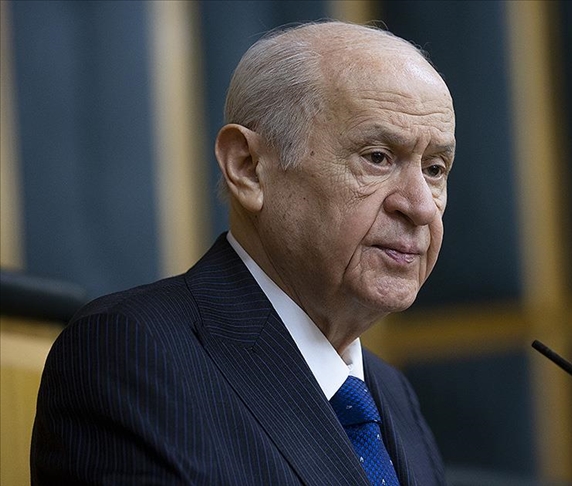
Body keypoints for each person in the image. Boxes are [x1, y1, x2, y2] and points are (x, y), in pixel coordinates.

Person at [31, 20, 455, 485]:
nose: (420, 206)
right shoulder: (132, 355)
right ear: (249, 167)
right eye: (377, 157)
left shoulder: (392, 395)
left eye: (435, 169)